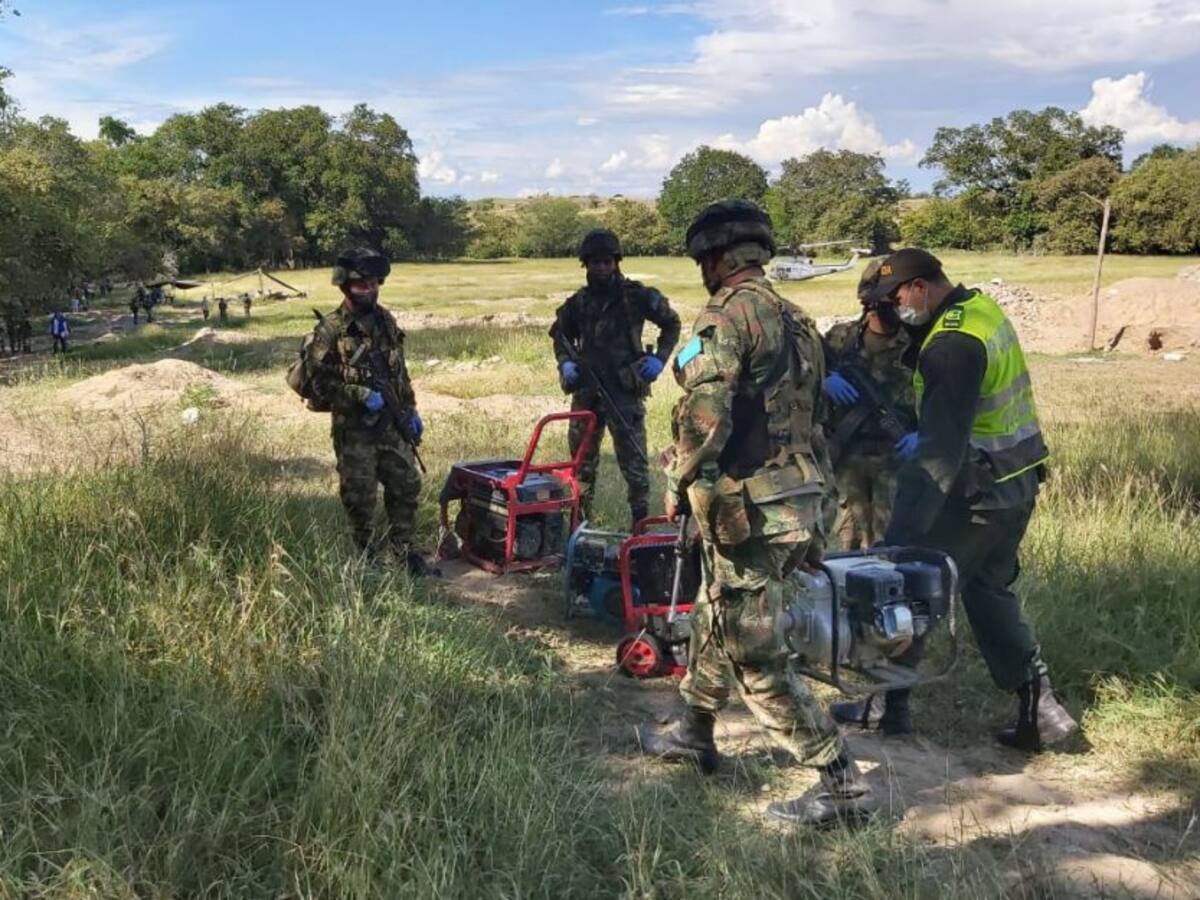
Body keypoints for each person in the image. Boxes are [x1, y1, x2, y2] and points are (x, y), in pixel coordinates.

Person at [636, 200, 876, 828]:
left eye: (701, 260)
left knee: (752, 649)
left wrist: (677, 476)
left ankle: (839, 782)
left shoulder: (727, 315)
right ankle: (694, 731)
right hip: (797, 497)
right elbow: (810, 417)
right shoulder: (795, 319)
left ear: (716, 256)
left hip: (755, 507)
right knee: (717, 612)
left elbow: (705, 416)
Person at [837, 247, 1078, 752]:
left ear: (920, 287)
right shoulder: (981, 311)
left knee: (912, 586)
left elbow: (939, 457)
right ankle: (1044, 711)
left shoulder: (948, 346)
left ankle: (885, 704)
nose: (893, 310)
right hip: (1019, 481)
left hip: (976, 493)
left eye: (895, 297)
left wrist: (902, 537)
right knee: (987, 591)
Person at [299, 247, 435, 576]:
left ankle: (406, 552)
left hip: (392, 423)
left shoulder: (386, 321)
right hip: (355, 431)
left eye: (374, 283)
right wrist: (358, 393)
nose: (369, 290)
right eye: (362, 285)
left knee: (405, 486)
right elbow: (316, 385)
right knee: (360, 497)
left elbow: (399, 372)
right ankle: (367, 560)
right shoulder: (330, 330)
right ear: (345, 286)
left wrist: (411, 410)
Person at [550, 228, 680, 526]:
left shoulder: (638, 297)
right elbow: (560, 335)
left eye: (607, 262)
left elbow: (671, 324)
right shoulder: (578, 303)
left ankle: (640, 526)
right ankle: (580, 525)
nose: (601, 268)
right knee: (581, 465)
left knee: (634, 465)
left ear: (617, 262)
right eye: (595, 262)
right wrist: (565, 363)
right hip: (587, 392)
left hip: (624, 393)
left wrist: (659, 360)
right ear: (586, 265)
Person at [821, 259, 917, 550]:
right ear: (872, 303)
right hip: (846, 461)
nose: (899, 305)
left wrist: (924, 435)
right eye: (891, 299)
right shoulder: (842, 339)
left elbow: (941, 396)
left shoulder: (916, 344)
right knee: (845, 545)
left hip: (896, 459)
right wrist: (824, 380)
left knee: (892, 547)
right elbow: (801, 372)